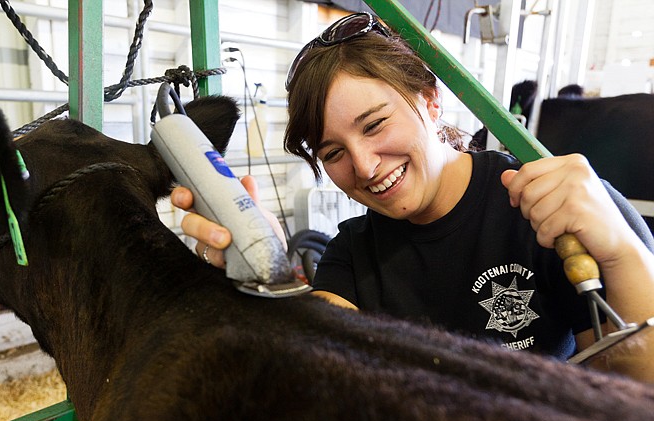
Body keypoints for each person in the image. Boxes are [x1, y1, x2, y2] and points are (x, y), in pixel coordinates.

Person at [171, 12, 654, 380]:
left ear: (429, 98)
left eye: (376, 124)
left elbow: (636, 389)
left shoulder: (545, 207)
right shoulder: (353, 256)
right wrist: (267, 276)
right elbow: (314, 371)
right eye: (334, 151)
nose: (363, 165)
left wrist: (621, 251)